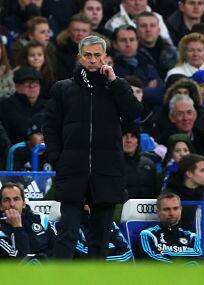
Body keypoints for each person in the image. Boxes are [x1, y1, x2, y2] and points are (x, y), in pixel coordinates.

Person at [45, 35, 142, 259]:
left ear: (105, 57)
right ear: (80, 57)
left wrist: (115, 82)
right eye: (87, 55)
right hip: (72, 171)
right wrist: (57, 158)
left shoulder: (117, 86)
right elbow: (50, 127)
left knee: (101, 239)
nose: (92, 59)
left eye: (97, 55)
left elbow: (134, 114)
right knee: (66, 235)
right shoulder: (62, 88)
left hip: (106, 172)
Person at [137, 192, 203, 263]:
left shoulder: (192, 237)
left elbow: (199, 260)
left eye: (175, 208)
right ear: (158, 212)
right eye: (166, 209)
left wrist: (166, 254)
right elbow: (151, 260)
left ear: (181, 210)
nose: (172, 213)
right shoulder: (147, 235)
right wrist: (186, 259)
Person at [0, 182, 56, 259]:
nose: (12, 204)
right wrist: (18, 227)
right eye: (7, 200)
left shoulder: (41, 219)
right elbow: (19, 261)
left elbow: (61, 249)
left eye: (16, 199)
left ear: (24, 203)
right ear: (1, 206)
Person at [0, 66, 46, 145]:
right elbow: (18, 126)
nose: (32, 87)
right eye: (27, 83)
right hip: (17, 150)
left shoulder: (47, 105)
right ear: (17, 86)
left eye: (35, 83)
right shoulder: (6, 105)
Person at [105, 0, 172, 45]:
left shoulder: (157, 17)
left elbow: (168, 44)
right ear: (123, 1)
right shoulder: (113, 24)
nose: (137, 3)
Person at [122, 124, 158, 199]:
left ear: (138, 142)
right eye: (125, 136)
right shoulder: (113, 165)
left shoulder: (149, 164)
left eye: (132, 136)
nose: (128, 140)